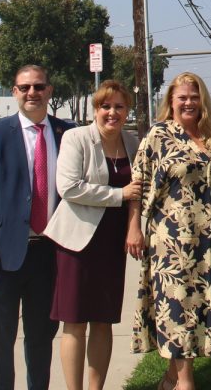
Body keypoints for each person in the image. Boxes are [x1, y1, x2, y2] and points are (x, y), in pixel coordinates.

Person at [130, 72, 211, 390]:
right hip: (170, 243)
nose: (188, 102)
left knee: (197, 310)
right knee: (178, 308)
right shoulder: (157, 136)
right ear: (171, 101)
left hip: (210, 242)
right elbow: (137, 185)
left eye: (194, 96)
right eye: (182, 97)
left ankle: (171, 378)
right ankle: (186, 382)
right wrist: (134, 228)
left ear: (203, 101)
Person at [0, 65, 75, 390]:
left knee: (42, 338)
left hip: (50, 255)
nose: (32, 93)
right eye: (25, 87)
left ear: (50, 90)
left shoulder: (68, 134)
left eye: (39, 86)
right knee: (0, 343)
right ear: (14, 92)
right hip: (3, 257)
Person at [45, 80, 142, 390]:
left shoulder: (132, 143)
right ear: (95, 109)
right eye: (105, 106)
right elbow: (69, 188)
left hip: (112, 243)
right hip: (78, 243)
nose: (112, 113)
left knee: (104, 320)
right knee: (74, 322)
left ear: (127, 110)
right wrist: (118, 194)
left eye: (119, 106)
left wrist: (133, 225)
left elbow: (138, 191)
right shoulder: (76, 138)